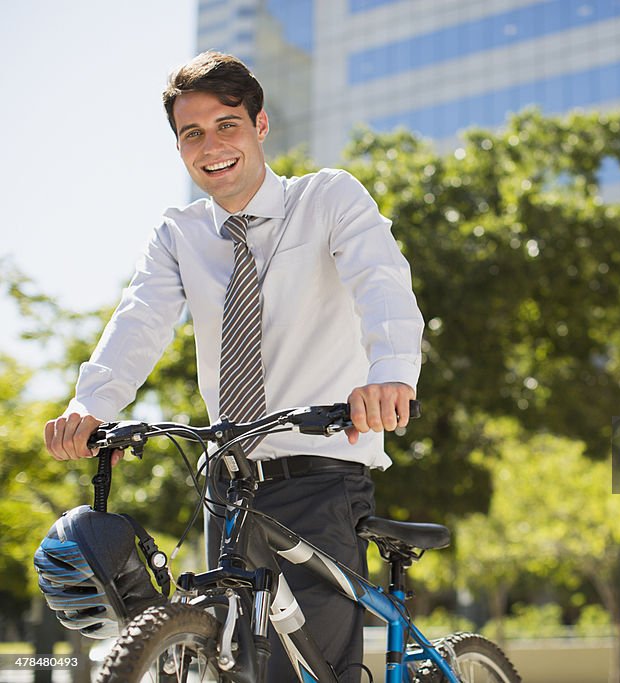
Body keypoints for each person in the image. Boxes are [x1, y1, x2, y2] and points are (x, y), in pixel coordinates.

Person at [43, 51, 423, 682]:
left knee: (310, 667)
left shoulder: (328, 198)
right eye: (192, 133)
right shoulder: (178, 235)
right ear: (179, 146)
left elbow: (381, 283)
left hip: (323, 467)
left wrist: (391, 372)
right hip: (229, 479)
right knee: (226, 658)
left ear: (260, 125)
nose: (211, 146)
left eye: (227, 125)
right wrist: (93, 407)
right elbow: (139, 320)